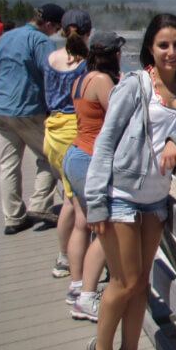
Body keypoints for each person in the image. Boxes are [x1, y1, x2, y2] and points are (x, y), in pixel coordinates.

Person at [86, 14, 176, 350]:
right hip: (121, 196)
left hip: (155, 198)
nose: (171, 52)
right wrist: (96, 202)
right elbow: (104, 143)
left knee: (140, 285)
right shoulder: (135, 84)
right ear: (150, 48)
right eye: (163, 45)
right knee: (123, 282)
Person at [63, 31, 125, 322]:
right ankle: (88, 298)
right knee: (105, 230)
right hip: (90, 160)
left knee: (82, 223)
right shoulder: (101, 80)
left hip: (75, 155)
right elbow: (119, 115)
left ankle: (77, 287)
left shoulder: (82, 78)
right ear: (114, 54)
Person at [0, 3, 64, 235]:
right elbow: (50, 75)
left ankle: (13, 218)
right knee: (49, 157)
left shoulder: (7, 37)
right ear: (49, 24)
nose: (55, 33)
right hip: (29, 108)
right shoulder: (42, 42)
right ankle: (39, 206)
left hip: (1, 108)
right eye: (56, 28)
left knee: (8, 164)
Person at [43, 9, 93, 278]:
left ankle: (64, 257)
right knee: (79, 207)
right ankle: (75, 268)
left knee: (67, 198)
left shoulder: (51, 58)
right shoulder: (86, 63)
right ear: (89, 31)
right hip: (76, 132)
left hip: (52, 130)